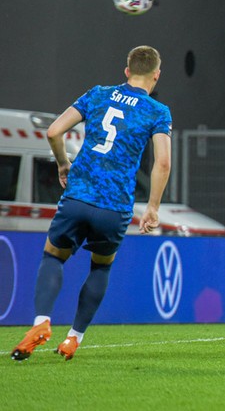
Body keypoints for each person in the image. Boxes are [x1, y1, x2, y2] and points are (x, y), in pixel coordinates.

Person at [11, 46, 172, 361]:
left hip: (78, 196)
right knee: (100, 266)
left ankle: (41, 321)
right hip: (115, 206)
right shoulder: (157, 111)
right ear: (156, 75)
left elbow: (55, 131)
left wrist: (62, 164)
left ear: (126, 71)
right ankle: (74, 338)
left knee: (53, 257)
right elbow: (162, 163)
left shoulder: (98, 95)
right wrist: (152, 207)